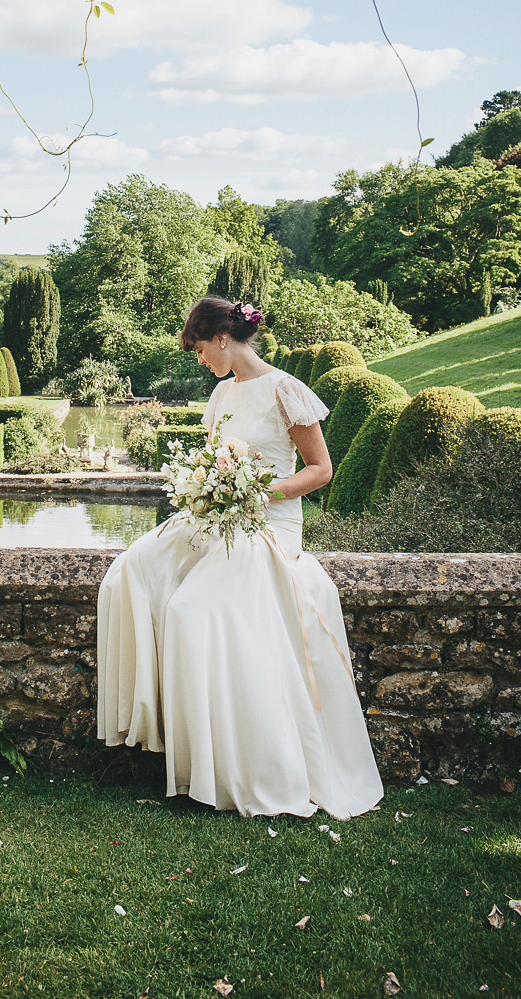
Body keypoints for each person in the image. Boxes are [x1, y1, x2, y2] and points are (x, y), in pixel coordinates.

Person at [97, 296, 384, 819]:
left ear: (223, 338)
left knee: (189, 613)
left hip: (268, 526)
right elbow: (212, 460)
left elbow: (321, 470)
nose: (201, 360)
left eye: (201, 349)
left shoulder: (285, 390)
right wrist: (206, 487)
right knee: (130, 572)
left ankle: (225, 770)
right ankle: (154, 737)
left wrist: (260, 490)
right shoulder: (220, 395)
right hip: (222, 518)